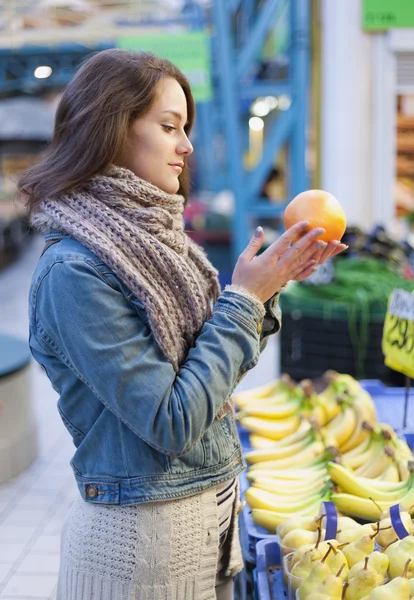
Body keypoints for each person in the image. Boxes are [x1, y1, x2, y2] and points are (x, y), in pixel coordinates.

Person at [19, 49, 346, 600]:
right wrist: (244, 296)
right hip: (139, 551)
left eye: (186, 127)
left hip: (209, 528)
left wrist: (268, 290)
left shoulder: (158, 245)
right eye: (169, 126)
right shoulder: (73, 272)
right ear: (112, 131)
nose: (187, 145)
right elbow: (171, 420)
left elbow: (211, 377)